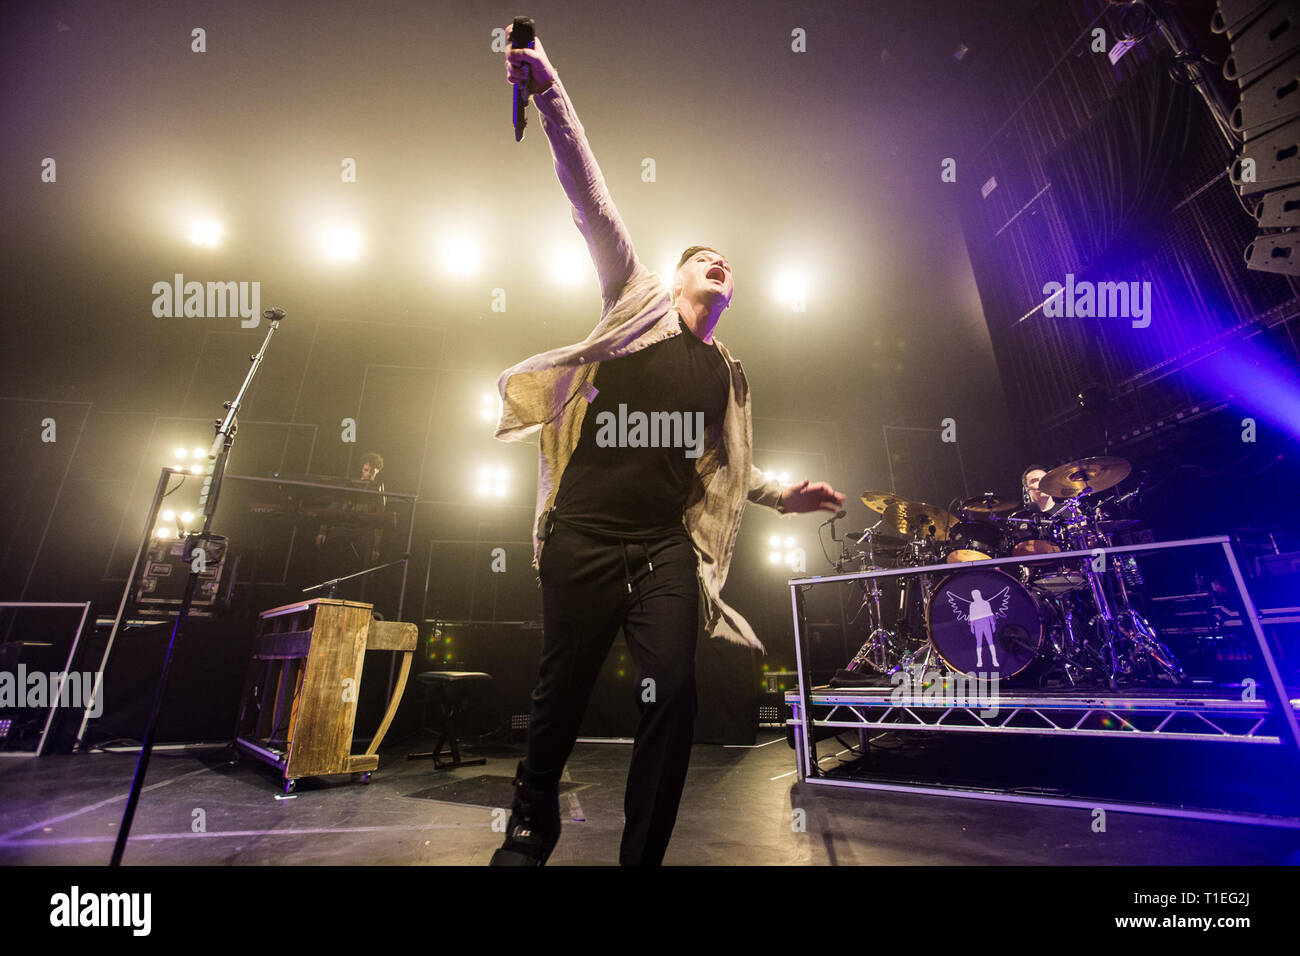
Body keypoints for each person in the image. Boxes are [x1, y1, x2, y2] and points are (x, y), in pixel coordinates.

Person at [490, 27, 845, 866]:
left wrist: (782, 493)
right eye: (702, 256)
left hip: (659, 549)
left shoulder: (728, 374)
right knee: (560, 697)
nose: (719, 261)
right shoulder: (636, 303)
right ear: (675, 277)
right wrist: (548, 90)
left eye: (727, 261)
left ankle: (640, 857)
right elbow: (590, 196)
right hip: (583, 532)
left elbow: (726, 469)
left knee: (675, 693)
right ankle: (525, 834)